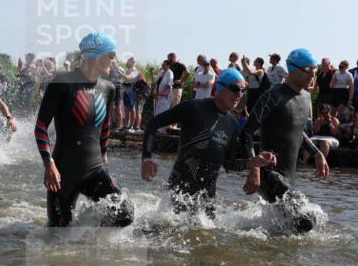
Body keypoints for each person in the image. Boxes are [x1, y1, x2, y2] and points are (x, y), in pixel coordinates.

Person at [140, 69, 276, 216]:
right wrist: (147, 158)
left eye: (243, 90)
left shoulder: (231, 122)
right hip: (179, 194)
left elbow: (229, 164)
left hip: (207, 200)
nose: (239, 94)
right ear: (219, 87)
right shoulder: (194, 108)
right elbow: (152, 124)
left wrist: (252, 163)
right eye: (235, 89)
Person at [35, 32, 133, 228]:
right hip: (62, 174)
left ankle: (90, 241)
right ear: (96, 57)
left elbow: (105, 126)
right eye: (111, 56)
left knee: (124, 214)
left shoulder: (108, 88)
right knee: (58, 233)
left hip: (95, 170)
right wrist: (49, 164)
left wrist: (104, 155)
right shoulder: (62, 82)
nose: (114, 62)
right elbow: (41, 127)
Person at [240, 47, 329, 195]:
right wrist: (254, 167)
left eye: (315, 68)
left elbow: (297, 131)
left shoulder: (306, 97)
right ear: (292, 69)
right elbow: (246, 133)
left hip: (288, 178)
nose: (312, 74)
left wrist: (317, 153)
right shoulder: (272, 96)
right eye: (307, 69)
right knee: (309, 217)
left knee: (290, 216)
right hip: (268, 174)